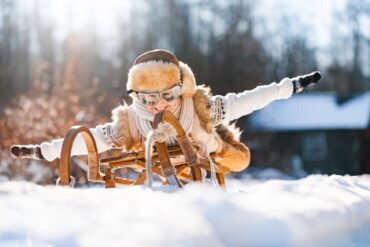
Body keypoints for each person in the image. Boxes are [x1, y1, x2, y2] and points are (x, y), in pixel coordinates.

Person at [11, 49, 321, 173]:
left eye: (167, 95)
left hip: (210, 153)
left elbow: (246, 99)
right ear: (136, 96)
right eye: (148, 99)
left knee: (241, 159)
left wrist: (288, 87)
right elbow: (92, 139)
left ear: (180, 88)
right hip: (165, 164)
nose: (158, 104)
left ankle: (222, 150)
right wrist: (44, 151)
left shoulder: (199, 108)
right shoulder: (131, 120)